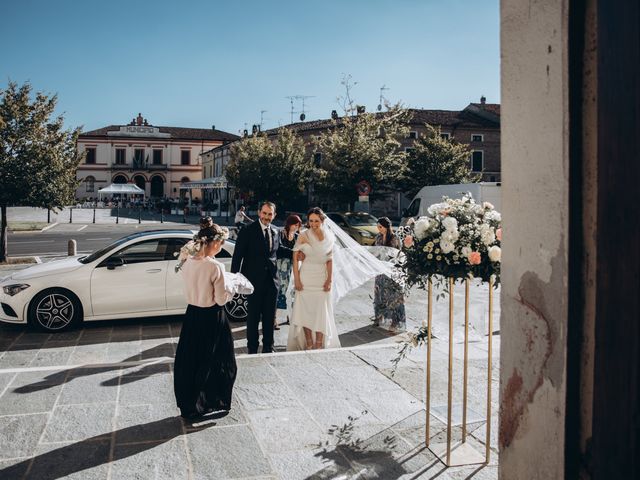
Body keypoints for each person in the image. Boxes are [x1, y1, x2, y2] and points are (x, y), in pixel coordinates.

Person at [174, 224, 236, 420]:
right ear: (215, 243)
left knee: (191, 361)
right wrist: (232, 288)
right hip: (212, 317)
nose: (222, 246)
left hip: (192, 316)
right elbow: (220, 299)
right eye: (221, 243)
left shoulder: (186, 261)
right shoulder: (215, 266)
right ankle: (212, 400)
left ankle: (189, 404)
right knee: (218, 361)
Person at [287, 207, 341, 350]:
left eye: (316, 221)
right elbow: (295, 258)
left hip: (321, 277)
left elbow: (330, 260)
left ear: (322, 221)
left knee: (320, 311)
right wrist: (297, 280)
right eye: (311, 221)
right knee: (305, 311)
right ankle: (309, 342)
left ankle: (319, 343)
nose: (313, 224)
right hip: (305, 277)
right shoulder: (303, 235)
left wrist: (329, 280)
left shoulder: (330, 237)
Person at [231, 201, 280, 354]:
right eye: (264, 213)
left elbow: (277, 252)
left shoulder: (276, 231)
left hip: (272, 283)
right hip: (253, 283)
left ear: (274, 215)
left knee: (269, 318)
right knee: (252, 319)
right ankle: (252, 348)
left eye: (270, 214)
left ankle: (268, 347)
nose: (266, 217)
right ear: (259, 213)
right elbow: (237, 256)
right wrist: (234, 280)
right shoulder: (247, 230)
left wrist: (297, 252)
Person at [373, 217, 406, 332]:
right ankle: (380, 318)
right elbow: (375, 251)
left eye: (380, 227)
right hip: (380, 270)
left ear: (387, 226)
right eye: (378, 227)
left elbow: (398, 254)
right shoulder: (378, 237)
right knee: (380, 294)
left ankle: (395, 321)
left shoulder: (395, 238)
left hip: (392, 270)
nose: (379, 229)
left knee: (393, 296)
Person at [275, 214, 303, 328]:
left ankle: (289, 316)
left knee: (291, 291)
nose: (296, 227)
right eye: (294, 224)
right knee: (280, 291)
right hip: (281, 266)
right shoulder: (281, 233)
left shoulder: (297, 236)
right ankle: (274, 318)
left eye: (298, 225)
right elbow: (279, 249)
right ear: (289, 223)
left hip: (292, 266)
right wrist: (294, 253)